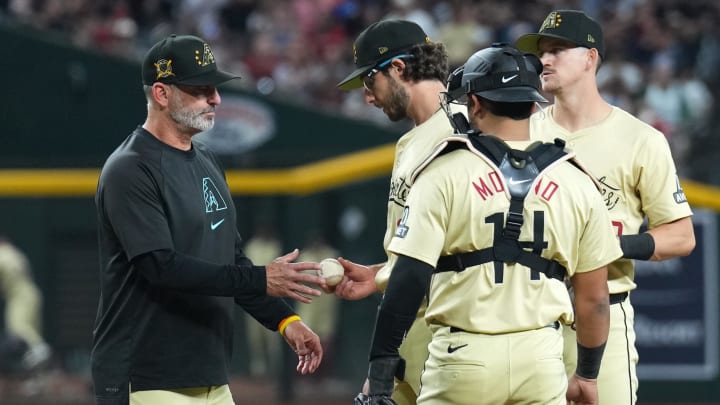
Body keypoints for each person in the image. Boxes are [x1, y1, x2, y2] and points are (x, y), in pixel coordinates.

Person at [356, 44, 623, 405]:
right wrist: (587, 375)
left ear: (475, 103)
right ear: (532, 105)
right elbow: (594, 299)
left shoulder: (442, 173)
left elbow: (408, 280)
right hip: (541, 359)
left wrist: (380, 375)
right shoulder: (577, 179)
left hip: (464, 357)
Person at [92, 34, 326, 405]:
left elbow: (230, 260)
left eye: (214, 88)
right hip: (147, 378)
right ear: (162, 93)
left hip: (211, 378)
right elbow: (160, 266)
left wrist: (285, 321)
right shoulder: (130, 169)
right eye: (200, 89)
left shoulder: (206, 160)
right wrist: (261, 278)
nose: (215, 98)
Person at [516, 10, 696, 404]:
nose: (544, 60)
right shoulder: (522, 134)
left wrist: (617, 245)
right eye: (542, 52)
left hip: (605, 315)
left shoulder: (640, 139)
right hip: (526, 316)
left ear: (590, 58)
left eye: (558, 50)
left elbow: (681, 236)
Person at [335, 19, 459, 404]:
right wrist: (381, 274)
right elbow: (426, 245)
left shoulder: (464, 130)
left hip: (452, 335)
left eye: (369, 82)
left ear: (399, 68)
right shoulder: (411, 140)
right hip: (410, 325)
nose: (367, 97)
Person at [0, 237, 51, 374]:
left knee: (17, 328)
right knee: (33, 331)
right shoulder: (16, 254)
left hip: (19, 296)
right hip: (32, 294)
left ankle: (40, 348)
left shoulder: (2, 255)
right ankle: (38, 378)